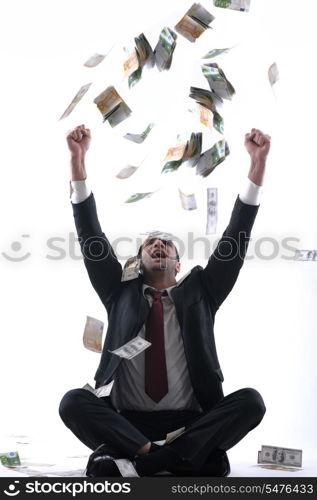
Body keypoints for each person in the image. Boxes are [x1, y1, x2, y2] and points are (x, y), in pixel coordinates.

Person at [59, 124, 271, 477]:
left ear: (178, 262)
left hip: (190, 421)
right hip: (125, 422)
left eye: (166, 244)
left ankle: (141, 461)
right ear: (137, 260)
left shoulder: (203, 291)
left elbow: (237, 236)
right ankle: (178, 459)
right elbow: (90, 236)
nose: (157, 245)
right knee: (73, 402)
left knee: (251, 401)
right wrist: (77, 161)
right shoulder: (117, 291)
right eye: (149, 244)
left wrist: (257, 166)